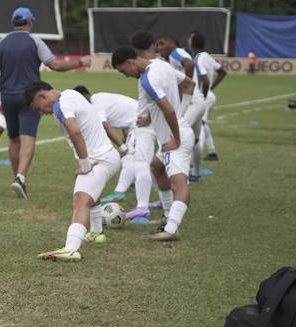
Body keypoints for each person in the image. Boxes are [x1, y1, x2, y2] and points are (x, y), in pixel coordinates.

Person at [0, 7, 88, 199]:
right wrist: (80, 63)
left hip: (7, 97)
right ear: (29, 22)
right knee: (27, 138)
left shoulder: (1, 43)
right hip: (30, 97)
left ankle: (17, 178)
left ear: (13, 23)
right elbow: (55, 65)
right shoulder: (35, 41)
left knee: (13, 139)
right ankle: (20, 178)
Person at [25, 82, 122, 261]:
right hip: (107, 156)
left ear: (42, 97)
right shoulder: (70, 94)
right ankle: (96, 233)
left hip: (100, 160)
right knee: (90, 192)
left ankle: (70, 248)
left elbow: (75, 132)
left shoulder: (61, 105)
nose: (42, 113)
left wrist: (86, 165)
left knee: (80, 199)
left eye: (39, 108)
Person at [111, 46, 194, 241]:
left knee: (179, 185)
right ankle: (167, 216)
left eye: (123, 71)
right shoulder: (161, 65)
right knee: (156, 168)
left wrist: (176, 138)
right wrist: (155, 115)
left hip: (175, 139)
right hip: (177, 131)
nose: (125, 75)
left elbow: (168, 110)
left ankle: (171, 229)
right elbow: (189, 83)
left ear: (130, 62)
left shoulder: (147, 80)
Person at [76, 86, 152, 221]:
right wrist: (125, 138)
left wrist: (122, 147)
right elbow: (122, 114)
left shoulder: (95, 105)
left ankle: (142, 209)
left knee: (140, 163)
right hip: (137, 122)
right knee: (130, 159)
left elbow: (105, 126)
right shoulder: (99, 97)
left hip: (142, 123)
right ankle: (121, 191)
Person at [188, 31, 227, 169]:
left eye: (190, 38)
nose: (188, 40)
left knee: (198, 128)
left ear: (193, 42)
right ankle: (211, 152)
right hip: (208, 95)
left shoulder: (198, 58)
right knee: (202, 124)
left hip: (202, 96)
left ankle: (194, 164)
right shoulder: (207, 56)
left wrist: (203, 97)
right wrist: (211, 89)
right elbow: (222, 71)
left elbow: (204, 80)